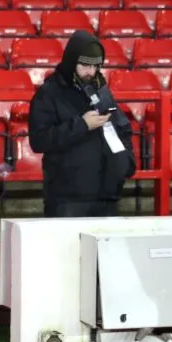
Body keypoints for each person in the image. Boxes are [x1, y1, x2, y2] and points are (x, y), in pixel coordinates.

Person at [28, 30, 136, 217]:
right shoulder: (49, 93)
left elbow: (122, 128)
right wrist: (82, 125)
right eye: (85, 66)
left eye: (96, 66)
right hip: (68, 198)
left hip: (108, 194)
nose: (91, 72)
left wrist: (125, 164)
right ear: (72, 61)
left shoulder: (101, 89)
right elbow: (39, 140)